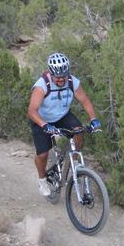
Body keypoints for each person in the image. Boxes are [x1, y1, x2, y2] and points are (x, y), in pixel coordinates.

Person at [27, 52, 101, 196]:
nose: (61, 80)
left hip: (62, 115)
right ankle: (42, 180)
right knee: (42, 155)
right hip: (41, 119)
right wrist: (44, 125)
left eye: (64, 76)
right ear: (51, 73)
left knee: (79, 132)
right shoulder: (42, 86)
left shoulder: (73, 82)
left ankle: (74, 164)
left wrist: (94, 119)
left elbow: (85, 101)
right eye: (57, 77)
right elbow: (31, 111)